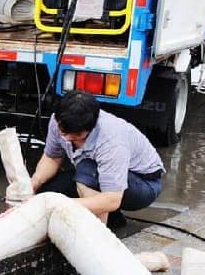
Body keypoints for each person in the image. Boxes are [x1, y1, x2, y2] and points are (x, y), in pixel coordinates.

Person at [30, 90, 164, 227]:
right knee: (45, 194)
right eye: (63, 132)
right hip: (100, 175)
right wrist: (33, 183)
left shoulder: (111, 141)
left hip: (143, 184)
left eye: (76, 135)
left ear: (91, 127)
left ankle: (96, 231)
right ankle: (113, 219)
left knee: (86, 170)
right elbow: (52, 158)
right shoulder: (59, 121)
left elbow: (112, 199)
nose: (67, 138)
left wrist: (59, 204)